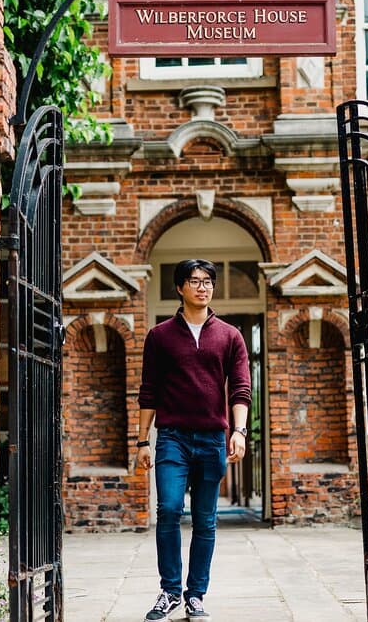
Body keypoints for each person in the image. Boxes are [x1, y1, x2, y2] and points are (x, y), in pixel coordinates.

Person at [135, 259, 251, 622]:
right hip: (172, 438)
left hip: (213, 439)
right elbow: (148, 391)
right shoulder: (160, 336)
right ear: (180, 288)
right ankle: (169, 591)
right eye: (195, 281)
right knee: (168, 509)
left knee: (206, 520)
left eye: (208, 281)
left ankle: (195, 595)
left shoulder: (230, 335)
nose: (203, 287)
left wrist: (239, 430)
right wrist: (142, 441)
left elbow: (242, 388)